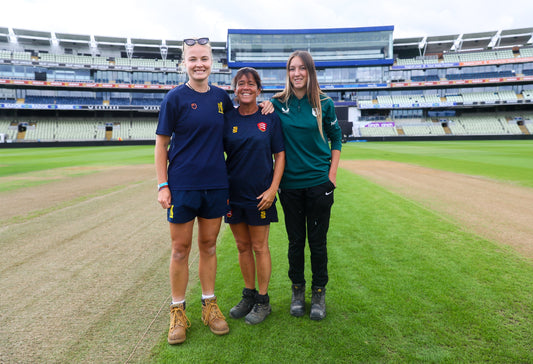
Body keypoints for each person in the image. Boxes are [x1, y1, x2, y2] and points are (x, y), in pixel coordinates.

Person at [271, 50, 342, 321]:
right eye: (292, 68)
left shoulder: (325, 103)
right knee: (295, 242)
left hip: (318, 185)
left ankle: (319, 292)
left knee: (318, 242)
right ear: (287, 73)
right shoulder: (277, 103)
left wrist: (331, 175)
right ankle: (298, 291)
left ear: (310, 72)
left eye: (302, 68)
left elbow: (336, 139)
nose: (297, 73)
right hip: (289, 186)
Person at [223, 67, 285, 325]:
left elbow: (280, 155)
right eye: (240, 84)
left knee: (260, 247)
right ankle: (248, 295)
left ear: (259, 89)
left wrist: (273, 189)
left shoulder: (269, 117)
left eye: (250, 84)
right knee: (242, 246)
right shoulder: (227, 118)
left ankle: (263, 301)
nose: (245, 87)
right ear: (235, 90)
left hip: (261, 195)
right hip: (233, 195)